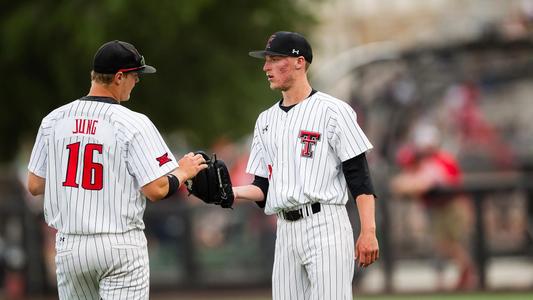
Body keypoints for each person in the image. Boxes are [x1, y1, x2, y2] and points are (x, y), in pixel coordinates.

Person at [26, 40, 207, 300]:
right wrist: (183, 171)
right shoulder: (132, 122)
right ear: (119, 77)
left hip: (70, 247)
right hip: (118, 244)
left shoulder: (54, 120)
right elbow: (156, 189)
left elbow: (34, 185)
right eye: (135, 75)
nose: (137, 81)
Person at [233, 31, 379, 299]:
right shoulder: (265, 120)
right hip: (285, 230)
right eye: (266, 60)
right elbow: (262, 187)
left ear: (299, 62)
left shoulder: (333, 110)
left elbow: (359, 178)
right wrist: (229, 193)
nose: (266, 67)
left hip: (326, 225)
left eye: (275, 59)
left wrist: (368, 230)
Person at [390, 123, 477, 290]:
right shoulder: (420, 160)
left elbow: (423, 183)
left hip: (452, 206)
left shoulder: (441, 160)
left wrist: (409, 184)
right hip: (437, 208)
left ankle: (468, 273)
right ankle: (457, 275)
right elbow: (399, 183)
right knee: (441, 244)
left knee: (451, 243)